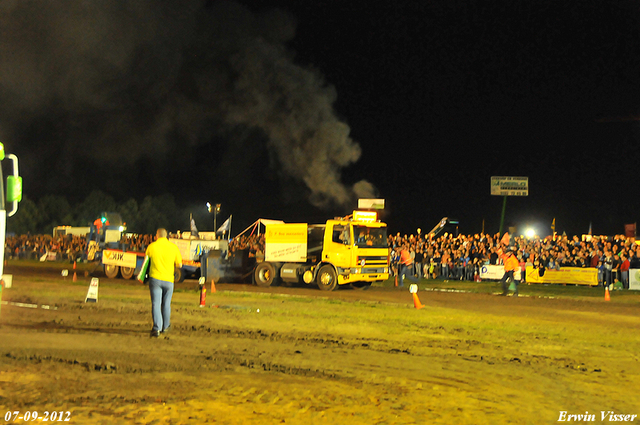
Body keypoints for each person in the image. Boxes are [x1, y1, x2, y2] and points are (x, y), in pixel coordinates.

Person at [146, 228, 183, 338]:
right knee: (166, 304)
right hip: (169, 280)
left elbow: (146, 263)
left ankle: (157, 328)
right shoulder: (173, 247)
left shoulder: (151, 247)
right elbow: (179, 265)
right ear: (166, 236)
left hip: (155, 279)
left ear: (156, 236)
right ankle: (166, 326)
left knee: (156, 304)